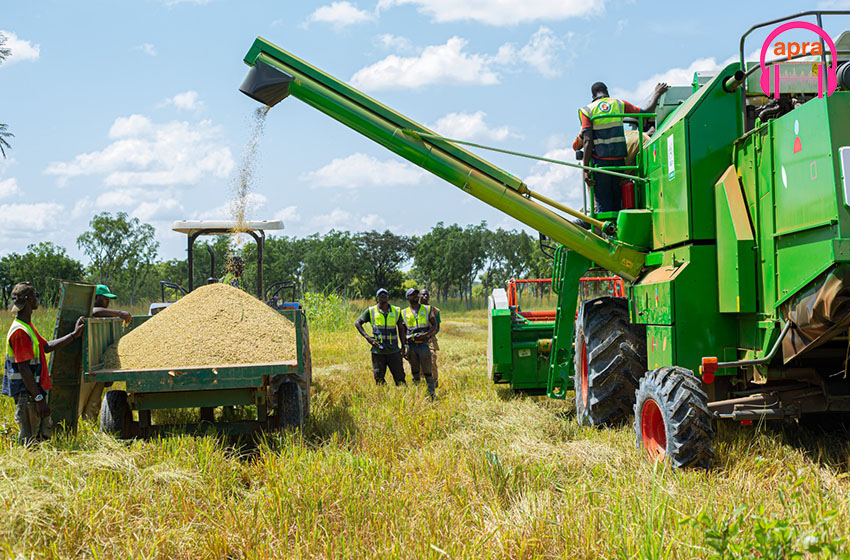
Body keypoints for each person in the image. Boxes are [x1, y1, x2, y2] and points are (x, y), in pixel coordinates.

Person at [3, 282, 84, 444]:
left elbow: (46, 347)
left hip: (32, 392)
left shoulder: (27, 326)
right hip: (27, 393)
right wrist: (39, 398)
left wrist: (74, 335)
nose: (37, 299)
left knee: (40, 437)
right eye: (35, 296)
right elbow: (24, 369)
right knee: (29, 440)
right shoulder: (20, 331)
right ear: (28, 300)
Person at [579, 81, 668, 213]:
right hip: (620, 163)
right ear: (607, 92)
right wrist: (657, 94)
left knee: (605, 207)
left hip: (601, 165)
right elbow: (646, 112)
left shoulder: (587, 110)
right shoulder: (619, 104)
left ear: (593, 96)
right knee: (618, 202)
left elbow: (587, 140)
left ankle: (608, 231)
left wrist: (586, 169)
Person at [79, 284, 131, 419]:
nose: (108, 302)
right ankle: (72, 433)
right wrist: (120, 313)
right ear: (95, 298)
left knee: (94, 405)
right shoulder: (89, 312)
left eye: (109, 299)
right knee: (79, 403)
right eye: (105, 299)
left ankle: (88, 430)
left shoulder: (105, 318)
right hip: (86, 367)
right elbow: (94, 311)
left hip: (99, 366)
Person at [354, 288, 407, 386]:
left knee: (400, 378)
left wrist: (403, 346)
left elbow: (401, 329)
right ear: (377, 299)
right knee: (379, 378)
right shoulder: (371, 311)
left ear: (388, 297)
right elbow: (357, 323)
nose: (383, 296)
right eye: (380, 295)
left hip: (394, 350)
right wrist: (368, 337)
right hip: (378, 351)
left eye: (385, 294)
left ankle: (402, 397)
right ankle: (383, 397)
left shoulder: (396, 310)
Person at [401, 288, 438, 399]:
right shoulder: (403, 312)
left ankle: (431, 395)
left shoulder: (427, 309)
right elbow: (402, 331)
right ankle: (417, 395)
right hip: (411, 346)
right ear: (407, 298)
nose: (415, 296)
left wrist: (425, 335)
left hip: (423, 345)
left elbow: (434, 325)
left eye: (416, 294)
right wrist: (403, 347)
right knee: (415, 372)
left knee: (428, 371)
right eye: (412, 295)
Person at [419, 288, 441, 388]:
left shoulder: (435, 310)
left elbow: (437, 327)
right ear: (418, 296)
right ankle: (420, 385)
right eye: (423, 295)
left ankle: (434, 384)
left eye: (427, 295)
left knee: (432, 362)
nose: (425, 297)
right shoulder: (414, 309)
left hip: (430, 340)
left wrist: (430, 334)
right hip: (417, 340)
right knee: (418, 364)